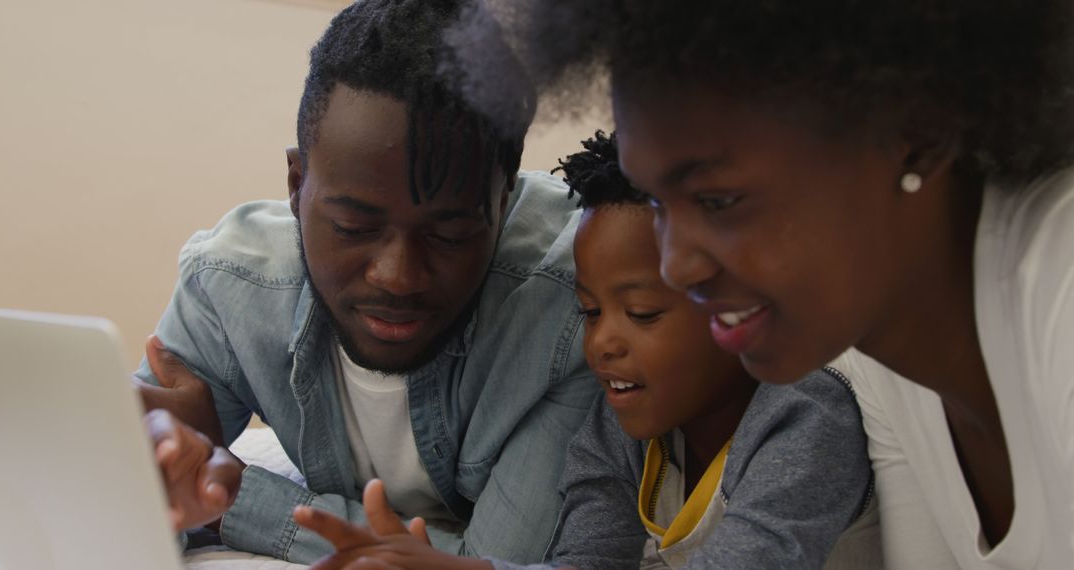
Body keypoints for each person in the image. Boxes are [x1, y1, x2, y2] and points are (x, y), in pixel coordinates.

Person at [442, 1, 1074, 568]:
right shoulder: (876, 360)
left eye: (718, 199)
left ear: (914, 131)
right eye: (661, 205)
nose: (678, 267)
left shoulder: (1059, 288)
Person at [134, 0, 599, 564]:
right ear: (296, 183)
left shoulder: (577, 303)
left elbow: (489, 561)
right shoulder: (230, 285)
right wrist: (159, 466)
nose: (397, 277)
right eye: (353, 226)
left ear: (504, 202)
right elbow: (119, 503)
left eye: (449, 234)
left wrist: (232, 497)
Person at [291, 131, 882, 570]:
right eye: (590, 311)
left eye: (643, 313)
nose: (602, 344)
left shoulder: (804, 416)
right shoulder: (620, 431)